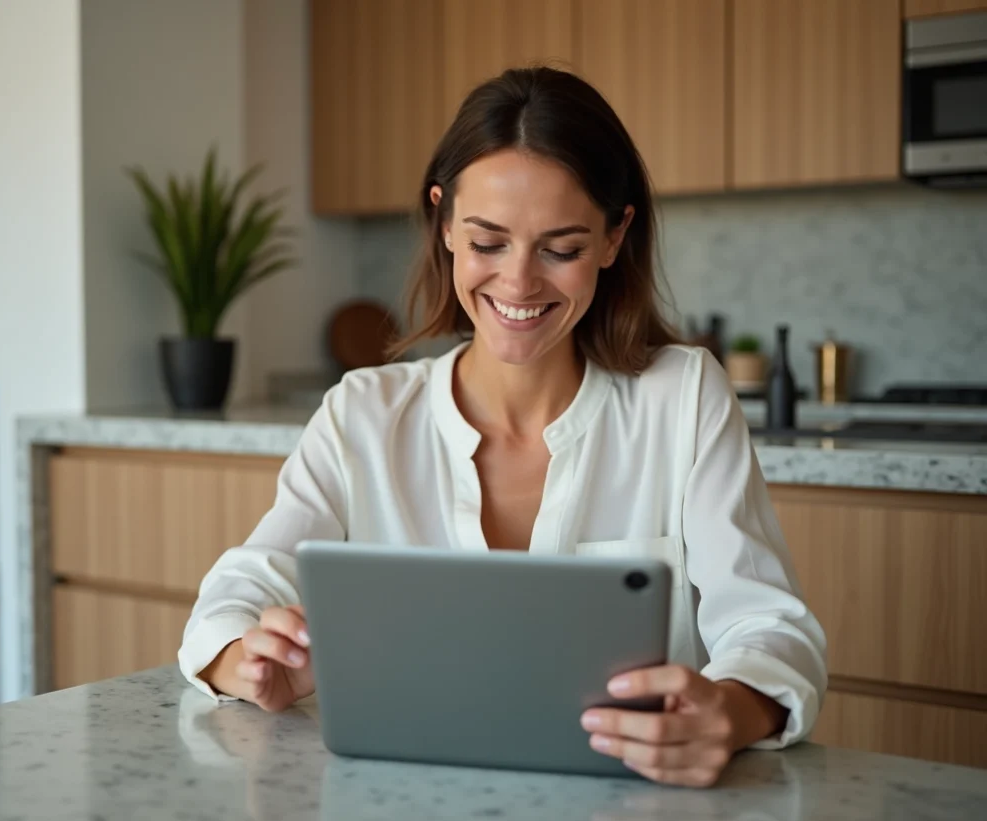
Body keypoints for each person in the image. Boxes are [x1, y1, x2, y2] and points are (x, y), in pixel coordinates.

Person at [179, 67, 827, 788]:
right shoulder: (361, 413)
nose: (518, 285)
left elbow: (771, 627)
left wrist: (730, 711)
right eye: (488, 242)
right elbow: (234, 592)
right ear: (445, 223)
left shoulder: (683, 399)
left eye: (562, 248)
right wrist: (249, 657)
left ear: (616, 236)